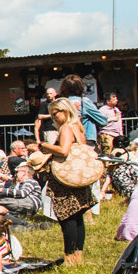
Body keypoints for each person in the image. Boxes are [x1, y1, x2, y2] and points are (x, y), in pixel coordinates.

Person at [39, 97, 97, 263]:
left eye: (55, 113)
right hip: (77, 177)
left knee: (67, 218)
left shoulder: (65, 128)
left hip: (65, 180)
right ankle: (78, 256)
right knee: (78, 217)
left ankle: (70, 257)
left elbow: (64, 151)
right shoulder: (77, 128)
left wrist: (45, 146)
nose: (53, 117)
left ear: (65, 111)